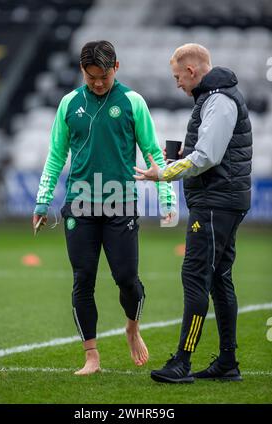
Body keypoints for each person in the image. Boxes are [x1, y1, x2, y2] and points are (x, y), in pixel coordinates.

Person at [33, 40, 176, 375]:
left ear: (117, 68)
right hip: (79, 205)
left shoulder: (132, 102)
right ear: (82, 71)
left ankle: (132, 328)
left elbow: (153, 151)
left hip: (121, 202)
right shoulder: (69, 104)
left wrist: (168, 197)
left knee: (126, 278)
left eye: (104, 76)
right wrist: (42, 201)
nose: (98, 83)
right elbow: (56, 157)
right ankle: (91, 355)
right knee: (83, 280)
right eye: (91, 76)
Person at [134, 43, 252, 383]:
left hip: (216, 203)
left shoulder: (218, 99)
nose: (177, 85)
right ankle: (227, 363)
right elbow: (212, 151)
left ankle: (182, 362)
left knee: (196, 276)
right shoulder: (217, 97)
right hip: (223, 199)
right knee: (218, 278)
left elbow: (209, 157)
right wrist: (186, 155)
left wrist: (165, 173)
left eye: (177, 77)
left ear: (191, 70)